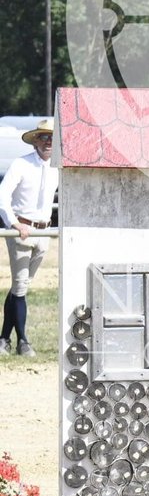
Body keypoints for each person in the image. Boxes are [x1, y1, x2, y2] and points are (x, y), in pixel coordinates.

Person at [0, 119, 58, 357]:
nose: (48, 142)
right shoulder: (21, 164)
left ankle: (4, 339)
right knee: (21, 287)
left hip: (44, 232)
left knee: (19, 287)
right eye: (43, 137)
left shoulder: (58, 168)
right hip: (21, 232)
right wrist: (14, 223)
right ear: (35, 141)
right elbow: (3, 194)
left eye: (52, 137)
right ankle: (23, 341)